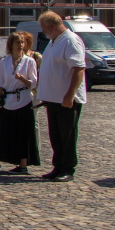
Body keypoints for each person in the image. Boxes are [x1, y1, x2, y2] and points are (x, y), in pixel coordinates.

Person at [36, 11, 86, 182]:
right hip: (53, 98)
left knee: (67, 135)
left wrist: (70, 94)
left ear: (52, 26)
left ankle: (68, 168)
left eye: (43, 27)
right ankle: (57, 166)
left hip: (66, 99)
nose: (42, 31)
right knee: (55, 136)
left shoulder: (70, 40)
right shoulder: (53, 41)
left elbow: (78, 69)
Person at [0, 32, 40, 174]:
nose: (20, 45)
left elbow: (33, 83)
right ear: (11, 44)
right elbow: (1, 84)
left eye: (22, 42)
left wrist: (22, 79)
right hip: (8, 100)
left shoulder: (29, 62)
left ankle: (23, 164)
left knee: (23, 133)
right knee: (2, 131)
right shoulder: (5, 62)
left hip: (24, 100)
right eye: (17, 42)